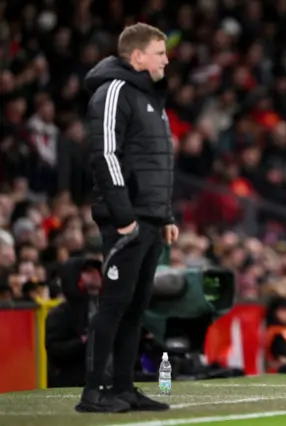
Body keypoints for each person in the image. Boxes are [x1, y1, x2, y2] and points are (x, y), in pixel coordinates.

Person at [76, 23, 179, 413]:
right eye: (159, 53)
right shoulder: (114, 91)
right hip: (128, 218)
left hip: (149, 218)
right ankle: (93, 392)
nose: (166, 60)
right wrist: (124, 217)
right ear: (137, 56)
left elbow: (156, 164)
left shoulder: (149, 99)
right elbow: (106, 154)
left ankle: (122, 387)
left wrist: (164, 213)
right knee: (114, 305)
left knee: (136, 307)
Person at [46, 257, 108, 388]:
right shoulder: (61, 313)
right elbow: (54, 351)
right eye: (88, 271)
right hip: (75, 382)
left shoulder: (108, 307)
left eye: (96, 270)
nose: (95, 274)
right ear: (74, 276)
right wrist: (82, 342)